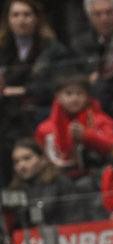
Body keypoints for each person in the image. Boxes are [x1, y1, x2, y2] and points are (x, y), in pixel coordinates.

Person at [0, 0, 67, 151]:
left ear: (37, 18)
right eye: (15, 15)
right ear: (8, 19)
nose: (21, 20)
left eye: (27, 14)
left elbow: (60, 85)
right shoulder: (3, 49)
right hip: (6, 117)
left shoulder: (53, 49)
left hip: (41, 112)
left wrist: (24, 90)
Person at [34, 67, 113, 175]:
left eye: (80, 93)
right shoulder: (44, 129)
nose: (74, 98)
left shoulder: (102, 120)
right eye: (68, 93)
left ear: (88, 97)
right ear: (58, 96)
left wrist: (87, 136)